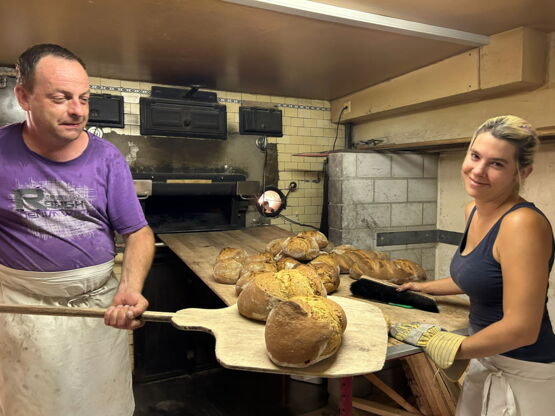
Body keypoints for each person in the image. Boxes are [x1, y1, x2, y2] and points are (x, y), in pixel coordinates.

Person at [0, 44, 155, 416]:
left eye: (84, 99)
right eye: (61, 98)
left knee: (101, 403)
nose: (77, 110)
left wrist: (130, 288)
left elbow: (138, 233)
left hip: (97, 308)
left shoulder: (107, 157)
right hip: (23, 308)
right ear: (24, 96)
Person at [391, 115, 555, 415]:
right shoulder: (473, 210)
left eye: (497, 164)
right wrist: (424, 287)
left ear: (522, 172)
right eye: (475, 156)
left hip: (523, 373)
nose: (478, 170)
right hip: (485, 356)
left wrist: (447, 345)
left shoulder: (522, 224)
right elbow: (479, 276)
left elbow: (523, 329)